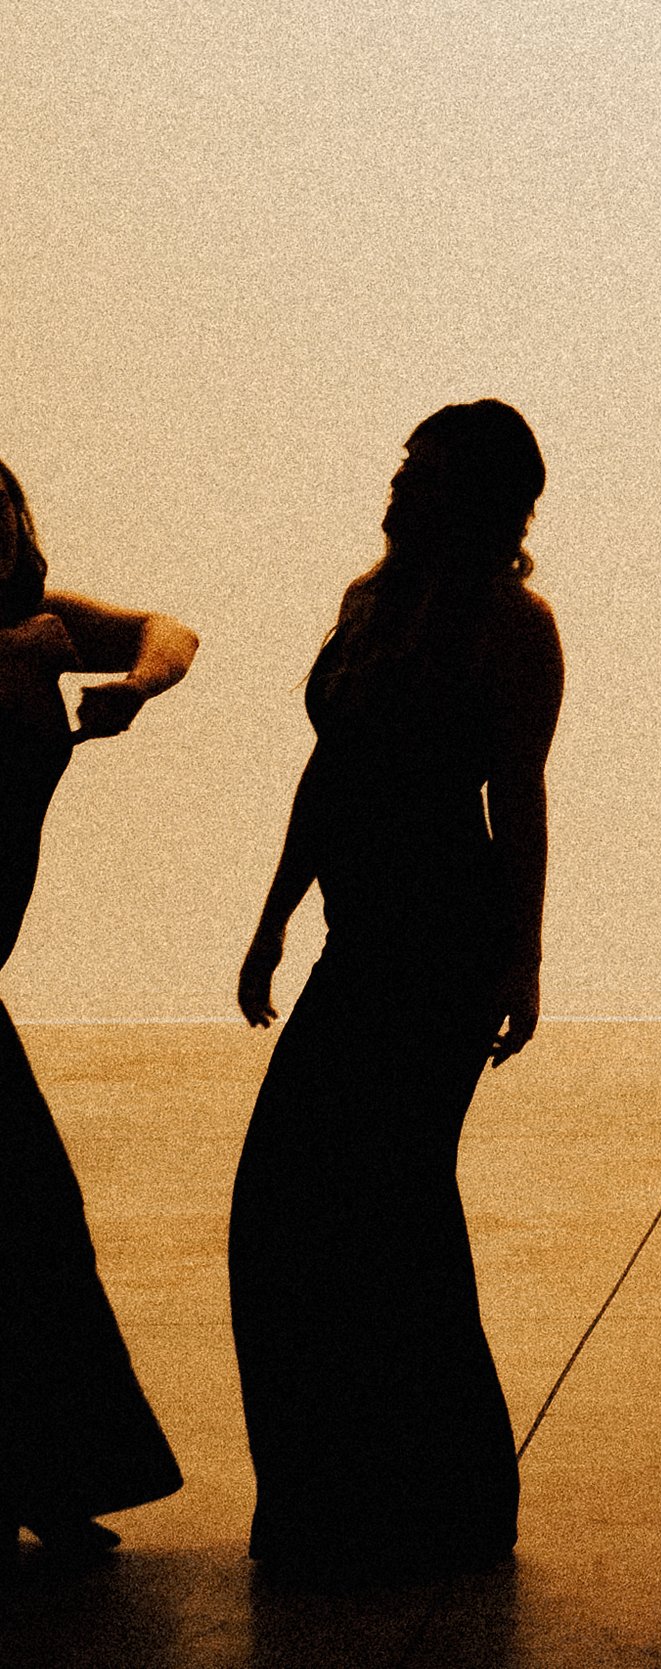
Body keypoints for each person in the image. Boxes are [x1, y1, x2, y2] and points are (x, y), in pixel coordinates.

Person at [229, 400, 562, 1586]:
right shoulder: (368, 608)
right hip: (357, 939)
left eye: (421, 467)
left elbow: (515, 800)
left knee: (386, 1212)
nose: (397, 478)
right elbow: (329, 769)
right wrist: (273, 917)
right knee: (305, 1215)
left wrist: (520, 961)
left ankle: (441, 1501)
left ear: (469, 493)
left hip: (438, 952)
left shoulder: (513, 627)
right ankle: (342, 1495)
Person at [0, 458, 194, 1563]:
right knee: (24, 1216)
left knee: (30, 1223)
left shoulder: (47, 623)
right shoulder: (28, 639)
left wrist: (137, 685)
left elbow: (172, 630)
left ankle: (52, 1473)